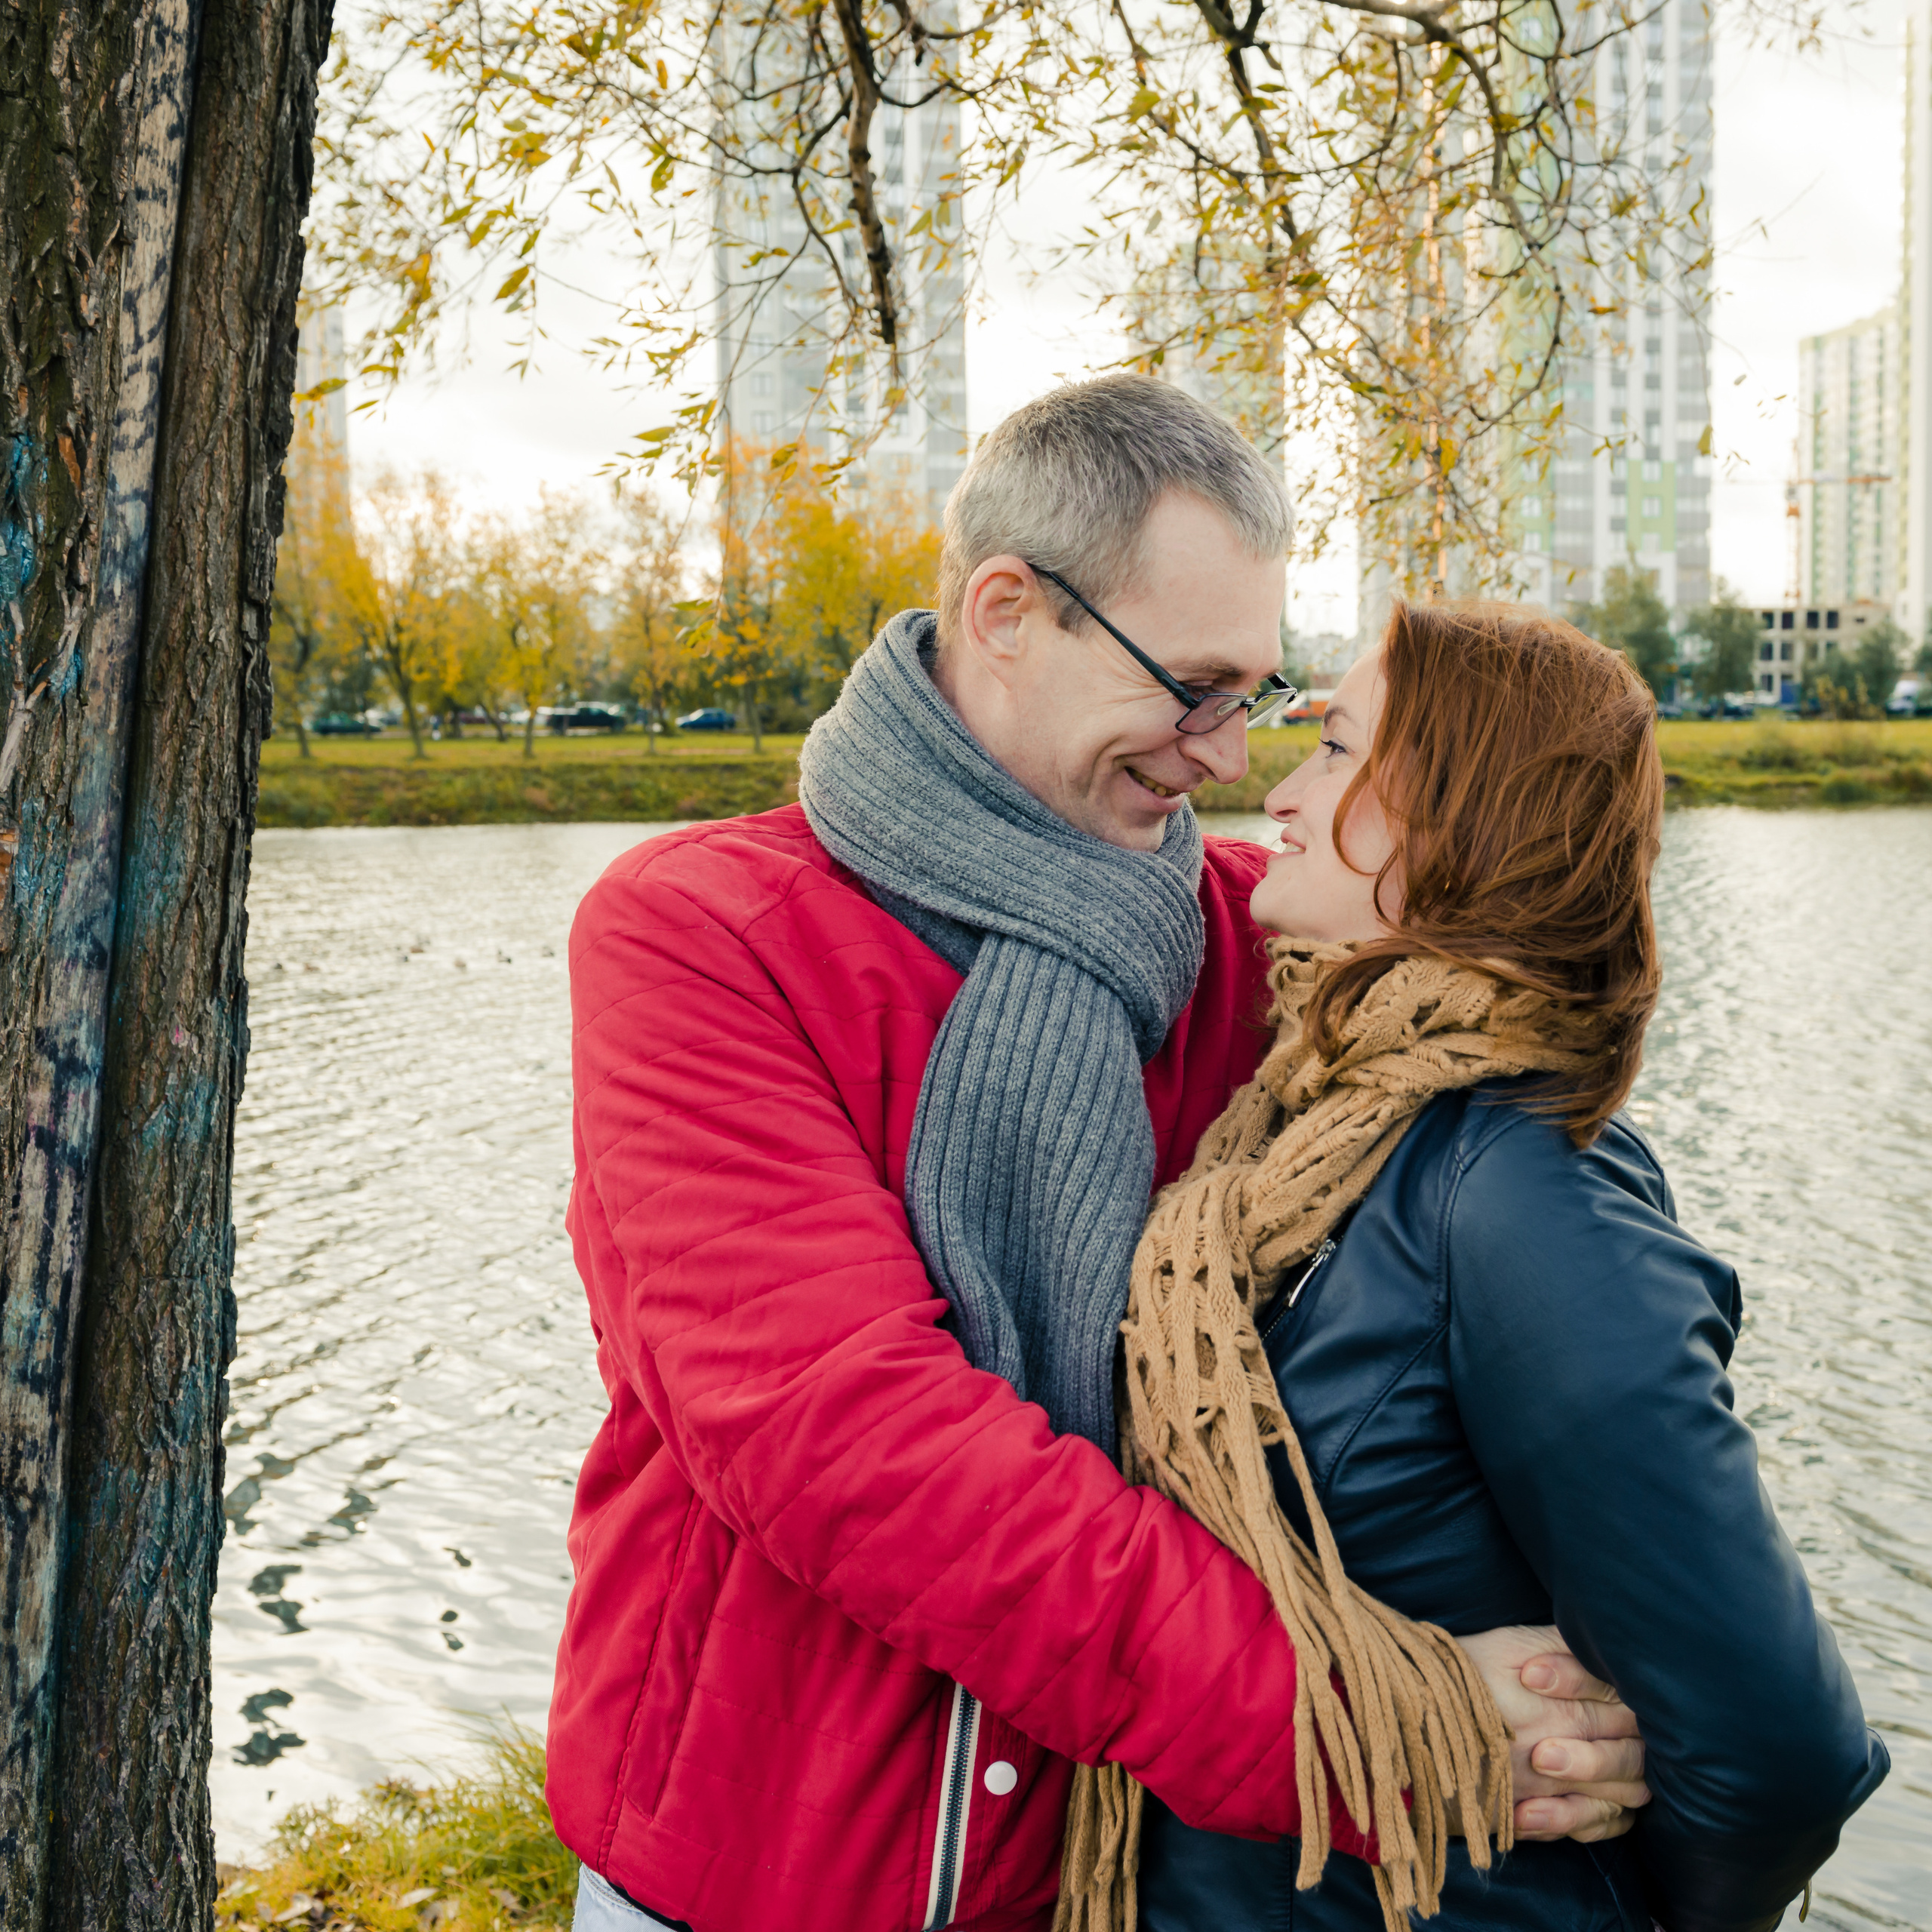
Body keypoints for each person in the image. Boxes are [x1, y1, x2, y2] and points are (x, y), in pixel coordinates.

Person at [551, 377, 1649, 1932]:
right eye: (1189, 687)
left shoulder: (1241, 942)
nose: (1215, 755)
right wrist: (1361, 1723)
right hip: (761, 1872)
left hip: (1103, 1873)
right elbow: (848, 1443)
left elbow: (1490, 1066)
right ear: (1005, 610)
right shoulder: (700, 935)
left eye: (1256, 701)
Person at [1088, 601, 1888, 1932]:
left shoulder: (1521, 1194)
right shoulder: (1306, 1139)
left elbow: (1780, 1752)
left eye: (1336, 750)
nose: (1280, 791)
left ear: (1458, 815)